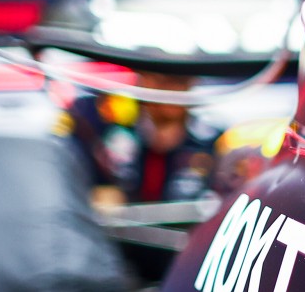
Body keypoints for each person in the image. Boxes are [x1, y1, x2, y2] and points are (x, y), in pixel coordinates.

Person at [53, 70, 219, 208]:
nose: (172, 90)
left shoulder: (208, 141)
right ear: (144, 81)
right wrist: (98, 194)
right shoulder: (110, 130)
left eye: (180, 82)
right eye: (161, 80)